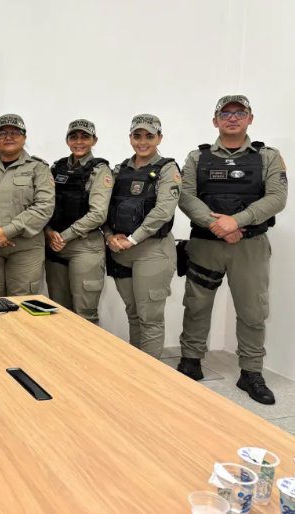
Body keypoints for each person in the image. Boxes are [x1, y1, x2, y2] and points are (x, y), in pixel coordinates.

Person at [176, 95, 287, 405]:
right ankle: (190, 360)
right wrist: (217, 226)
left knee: (253, 310)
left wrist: (237, 223)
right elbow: (185, 197)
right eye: (226, 113)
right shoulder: (197, 158)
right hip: (205, 245)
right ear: (216, 121)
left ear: (250, 118)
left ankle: (251, 371)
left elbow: (277, 199)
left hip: (249, 245)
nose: (233, 118)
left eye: (240, 113)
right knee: (196, 305)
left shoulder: (267, 156)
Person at [104, 114, 179, 359]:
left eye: (149, 136)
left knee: (150, 318)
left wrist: (132, 239)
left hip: (152, 251)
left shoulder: (168, 168)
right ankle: (138, 368)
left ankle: (152, 378)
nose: (142, 141)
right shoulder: (120, 170)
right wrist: (109, 236)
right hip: (120, 251)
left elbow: (163, 211)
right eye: (137, 136)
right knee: (133, 313)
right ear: (130, 138)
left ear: (159, 138)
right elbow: (103, 207)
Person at [0, 114, 54, 297]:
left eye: (15, 132)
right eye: (2, 133)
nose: (8, 137)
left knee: (23, 303)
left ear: (24, 138)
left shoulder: (38, 168)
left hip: (25, 249)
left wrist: (7, 231)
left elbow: (44, 206)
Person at [44, 120, 112, 323]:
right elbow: (44, 206)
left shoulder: (100, 170)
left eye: (85, 137)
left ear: (94, 140)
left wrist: (63, 236)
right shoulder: (56, 168)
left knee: (85, 315)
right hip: (55, 247)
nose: (79, 142)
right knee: (57, 313)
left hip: (85, 248)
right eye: (74, 137)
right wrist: (48, 232)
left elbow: (98, 214)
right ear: (67, 140)